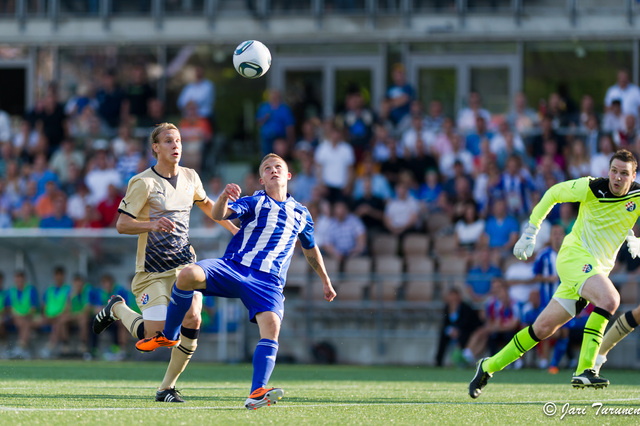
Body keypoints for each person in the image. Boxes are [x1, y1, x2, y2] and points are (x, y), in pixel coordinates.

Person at [136, 153, 337, 410]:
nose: (273, 170)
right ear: (262, 179)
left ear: (288, 176)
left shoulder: (302, 214)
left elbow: (311, 249)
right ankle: (169, 335)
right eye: (267, 168)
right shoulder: (255, 201)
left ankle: (256, 392)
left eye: (278, 167)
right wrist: (222, 198)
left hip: (268, 282)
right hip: (234, 267)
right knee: (187, 275)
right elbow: (221, 214)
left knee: (271, 326)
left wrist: (325, 280)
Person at [469, 149, 639, 399]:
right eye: (613, 171)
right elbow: (553, 194)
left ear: (633, 176)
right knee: (610, 300)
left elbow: (619, 217)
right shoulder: (591, 187)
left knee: (542, 328)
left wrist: (635, 238)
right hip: (574, 257)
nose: (617, 177)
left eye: (624, 173)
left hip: (592, 271)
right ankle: (585, 369)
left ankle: (488, 366)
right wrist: (531, 231)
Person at [91, 122, 238, 403]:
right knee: (154, 335)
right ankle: (118, 308)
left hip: (184, 266)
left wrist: (235, 231)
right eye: (169, 141)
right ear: (155, 148)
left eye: (179, 141)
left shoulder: (191, 176)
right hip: (152, 272)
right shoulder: (142, 182)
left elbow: (207, 205)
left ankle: (166, 388)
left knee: (193, 317)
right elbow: (122, 224)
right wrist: (152, 224)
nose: (176, 146)